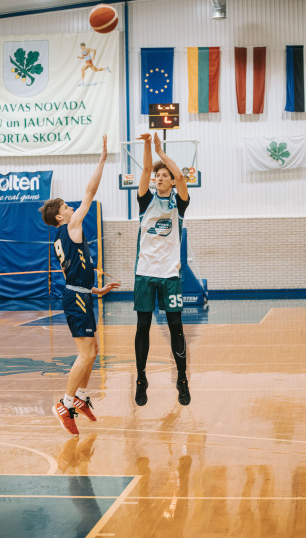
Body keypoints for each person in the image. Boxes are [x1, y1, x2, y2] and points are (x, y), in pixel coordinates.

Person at [40, 135, 119, 436]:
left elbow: (73, 271)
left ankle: (81, 397)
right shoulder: (70, 226)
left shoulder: (63, 236)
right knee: (85, 354)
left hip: (81, 294)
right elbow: (90, 191)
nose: (71, 206)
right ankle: (64, 403)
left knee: (93, 350)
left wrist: (94, 289)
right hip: (75, 298)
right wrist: (102, 160)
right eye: (65, 205)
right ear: (59, 216)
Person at [134, 132, 191, 407]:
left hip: (170, 274)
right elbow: (146, 169)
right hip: (145, 272)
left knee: (176, 326)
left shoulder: (179, 203)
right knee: (142, 327)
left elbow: (180, 176)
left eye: (164, 175)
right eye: (158, 176)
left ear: (170, 181)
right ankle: (141, 378)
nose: (159, 178)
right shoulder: (145, 200)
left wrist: (161, 153)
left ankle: (182, 379)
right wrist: (148, 146)